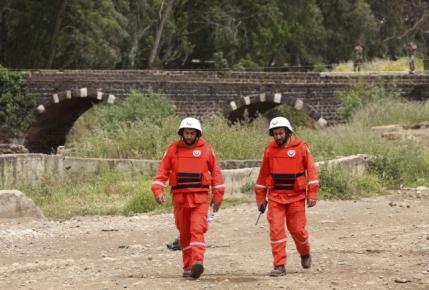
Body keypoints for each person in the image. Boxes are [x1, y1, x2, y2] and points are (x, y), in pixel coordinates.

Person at [151, 117, 225, 279]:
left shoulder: (206, 150)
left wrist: (218, 196)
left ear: (197, 134)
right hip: (180, 199)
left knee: (196, 230)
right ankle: (188, 266)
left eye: (192, 133)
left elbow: (217, 174)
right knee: (184, 233)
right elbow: (161, 172)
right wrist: (157, 190)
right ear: (182, 133)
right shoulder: (172, 150)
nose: (189, 136)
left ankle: (197, 262)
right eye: (187, 133)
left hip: (200, 199)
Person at [255, 117, 319, 277]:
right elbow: (263, 176)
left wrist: (312, 193)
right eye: (275, 134)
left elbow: (311, 172)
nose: (278, 136)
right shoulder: (269, 151)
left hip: (296, 197)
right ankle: (279, 265)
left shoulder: (301, 148)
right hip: (276, 197)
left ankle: (305, 252)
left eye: (280, 133)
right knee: (276, 230)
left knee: (297, 230)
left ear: (287, 132)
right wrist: (260, 198)